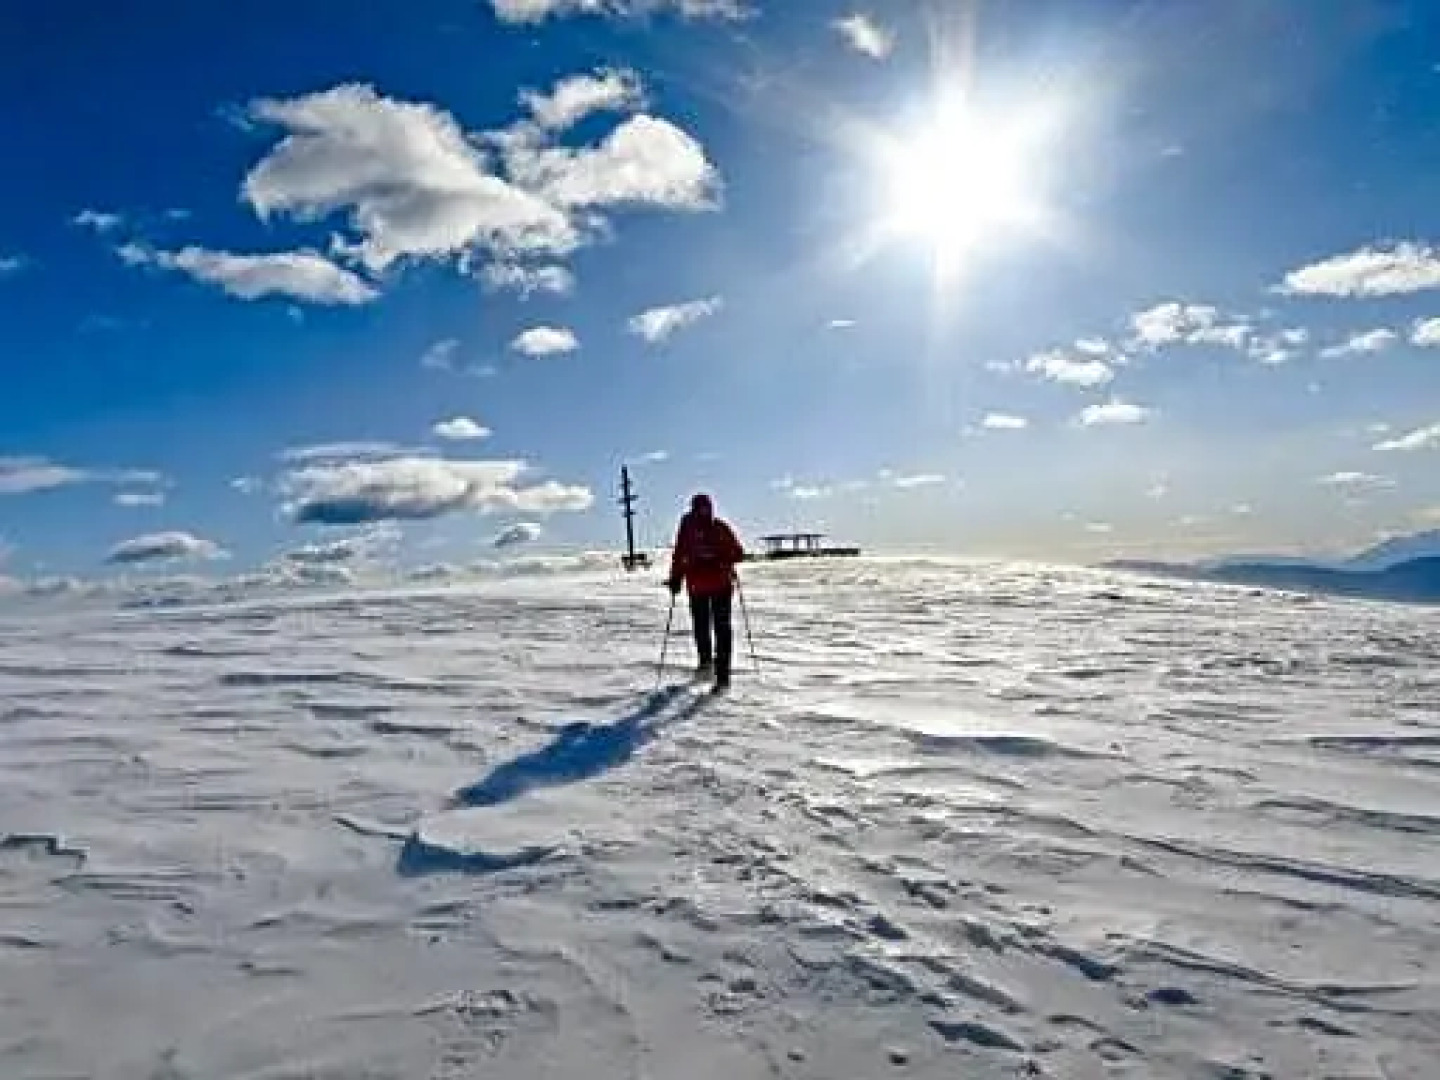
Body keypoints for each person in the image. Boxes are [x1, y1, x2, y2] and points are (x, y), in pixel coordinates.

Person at [667, 492, 745, 689]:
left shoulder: (715, 528)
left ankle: (718, 674)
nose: (703, 512)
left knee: (717, 629)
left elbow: (737, 553)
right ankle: (710, 669)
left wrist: (717, 557)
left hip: (714, 586)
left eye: (705, 508)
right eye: (700, 508)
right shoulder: (691, 530)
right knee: (711, 629)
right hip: (703, 586)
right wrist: (676, 577)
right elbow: (680, 554)